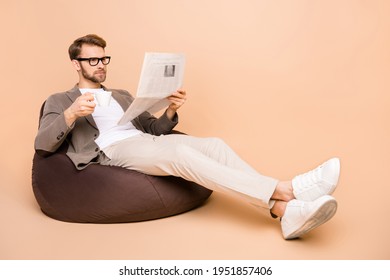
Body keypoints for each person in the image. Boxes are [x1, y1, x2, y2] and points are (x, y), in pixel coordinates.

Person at [34, 34, 341, 240]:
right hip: (114, 151)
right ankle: (287, 191)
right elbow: (43, 144)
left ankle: (285, 212)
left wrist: (169, 110)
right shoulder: (60, 100)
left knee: (214, 146)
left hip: (147, 142)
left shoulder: (121, 95)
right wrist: (72, 113)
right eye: (93, 61)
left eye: (104, 59)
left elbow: (153, 130)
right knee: (180, 157)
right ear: (76, 64)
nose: (100, 66)